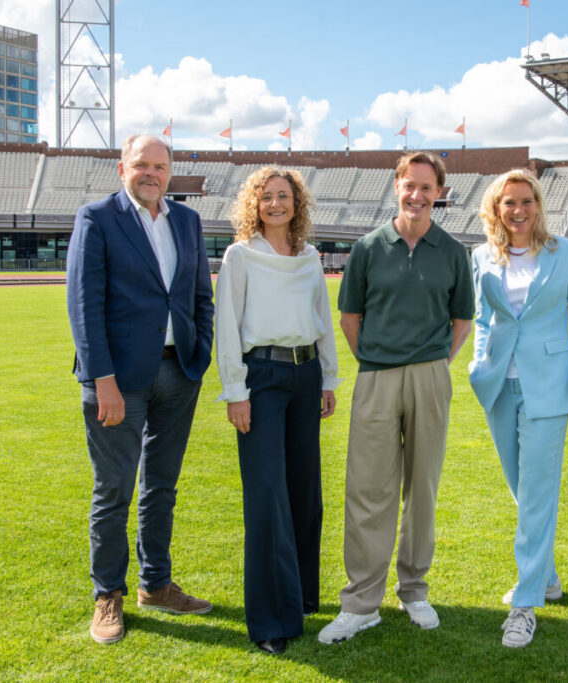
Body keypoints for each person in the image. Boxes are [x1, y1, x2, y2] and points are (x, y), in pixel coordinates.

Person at [318, 151, 474, 644]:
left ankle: (414, 590)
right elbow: (349, 319)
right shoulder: (367, 247)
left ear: (439, 193)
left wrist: (430, 363)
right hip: (376, 377)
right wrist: (380, 358)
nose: (418, 195)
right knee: (368, 488)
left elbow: (461, 322)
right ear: (397, 186)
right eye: (410, 185)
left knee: (421, 488)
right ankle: (362, 602)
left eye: (427, 187)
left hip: (430, 376)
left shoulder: (452, 250)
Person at [67, 134, 215, 645]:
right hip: (118, 382)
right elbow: (84, 306)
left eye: (159, 165)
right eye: (141, 164)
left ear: (170, 172)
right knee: (113, 491)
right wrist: (101, 379)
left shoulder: (187, 221)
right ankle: (108, 593)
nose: (151, 173)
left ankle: (156, 584)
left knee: (163, 486)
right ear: (122, 168)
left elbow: (200, 296)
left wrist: (201, 354)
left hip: (179, 373)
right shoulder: (97, 218)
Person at [468, 169, 568, 648]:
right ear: (496, 208)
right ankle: (546, 578)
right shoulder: (481, 255)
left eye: (526, 201)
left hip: (549, 385)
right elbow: (483, 318)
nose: (518, 210)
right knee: (520, 489)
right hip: (500, 385)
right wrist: (478, 366)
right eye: (509, 202)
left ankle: (526, 604)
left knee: (538, 493)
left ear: (538, 205)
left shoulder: (563, 252)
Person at [214, 167, 340, 655]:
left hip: (306, 377)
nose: (275, 204)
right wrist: (235, 391)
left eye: (283, 196)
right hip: (261, 381)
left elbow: (321, 320)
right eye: (265, 197)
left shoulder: (309, 257)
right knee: (267, 497)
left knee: (305, 491)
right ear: (254, 204)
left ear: (296, 202)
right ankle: (270, 619)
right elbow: (228, 325)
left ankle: (302, 596)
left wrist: (328, 378)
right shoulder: (241, 256)